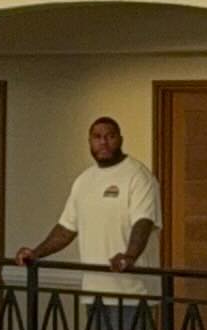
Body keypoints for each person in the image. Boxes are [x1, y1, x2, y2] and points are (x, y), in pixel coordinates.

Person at [17, 114, 162, 282]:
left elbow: (143, 222)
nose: (103, 142)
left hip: (133, 292)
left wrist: (129, 256)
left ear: (120, 140)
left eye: (110, 136)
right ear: (90, 142)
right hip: (93, 289)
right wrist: (36, 253)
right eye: (97, 137)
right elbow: (66, 229)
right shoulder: (83, 180)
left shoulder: (138, 176)